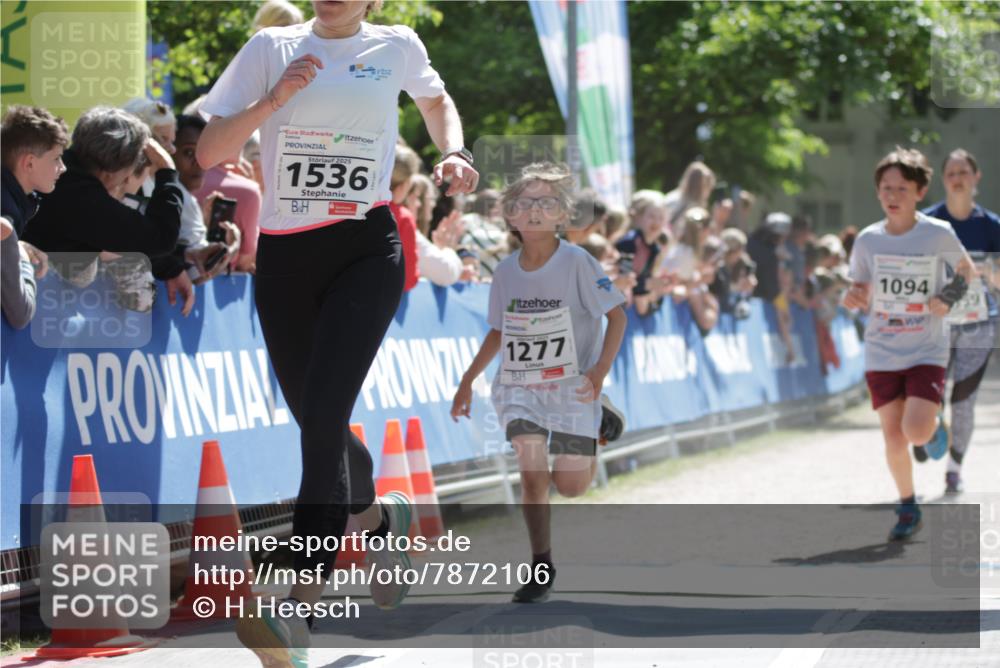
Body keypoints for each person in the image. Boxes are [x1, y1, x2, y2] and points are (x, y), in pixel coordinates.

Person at [195, 1, 480, 662]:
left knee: (324, 417)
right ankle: (380, 522)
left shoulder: (397, 45)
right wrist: (276, 99)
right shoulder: (272, 49)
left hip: (366, 249)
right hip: (286, 258)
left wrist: (454, 150)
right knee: (316, 419)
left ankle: (298, 606)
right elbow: (210, 150)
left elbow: (437, 103)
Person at [451, 163, 627, 603]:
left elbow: (617, 316)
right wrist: (469, 379)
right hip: (520, 386)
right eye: (524, 203)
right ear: (509, 215)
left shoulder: (578, 262)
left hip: (574, 386)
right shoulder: (507, 272)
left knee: (569, 486)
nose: (533, 211)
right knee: (532, 475)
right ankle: (540, 564)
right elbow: (499, 330)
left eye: (545, 203)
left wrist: (598, 371)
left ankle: (599, 418)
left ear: (561, 215)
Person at [843, 147, 975, 540]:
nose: (892, 195)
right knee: (894, 436)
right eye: (886, 188)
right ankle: (907, 505)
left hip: (925, 347)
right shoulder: (868, 240)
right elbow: (859, 286)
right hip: (882, 350)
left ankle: (932, 427)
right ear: (878, 193)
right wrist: (854, 296)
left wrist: (948, 296)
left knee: (915, 432)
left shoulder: (937, 233)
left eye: (902, 187)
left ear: (919, 192)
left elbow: (966, 270)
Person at [19, 107, 194, 315]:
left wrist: (171, 268)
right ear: (116, 169)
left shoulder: (68, 175)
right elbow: (160, 238)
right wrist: (167, 170)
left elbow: (120, 238)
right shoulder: (80, 195)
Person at [921, 148, 1000, 493]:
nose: (957, 179)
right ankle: (923, 431)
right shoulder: (928, 223)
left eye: (963, 172)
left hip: (978, 325)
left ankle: (954, 468)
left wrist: (987, 272)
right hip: (933, 325)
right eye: (951, 173)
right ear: (943, 179)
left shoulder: (992, 226)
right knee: (926, 397)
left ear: (976, 177)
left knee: (963, 401)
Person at [1, 105, 68, 321]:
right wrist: (21, 258)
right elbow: (21, 313)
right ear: (29, 163)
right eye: (57, 158)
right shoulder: (6, 216)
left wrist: (17, 245)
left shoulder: (13, 203)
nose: (63, 167)